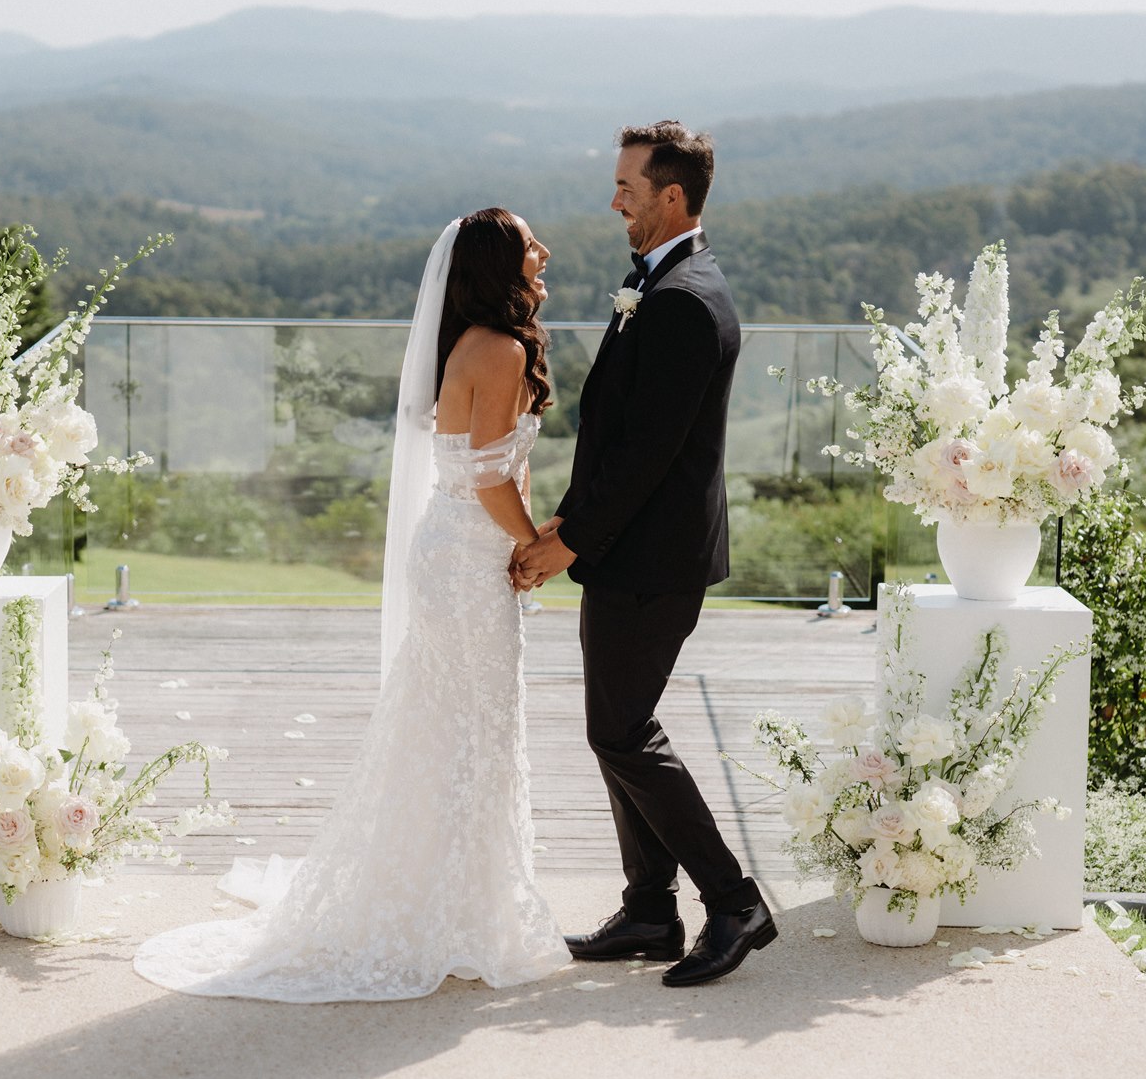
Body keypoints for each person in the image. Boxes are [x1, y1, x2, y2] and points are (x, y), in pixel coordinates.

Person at [134, 207, 571, 1002]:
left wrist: (519, 537)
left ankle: (443, 897)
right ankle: (461, 912)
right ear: (497, 267)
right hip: (472, 560)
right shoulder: (502, 348)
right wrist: (531, 545)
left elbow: (484, 463)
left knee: (442, 727)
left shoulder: (472, 341)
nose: (545, 251)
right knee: (478, 732)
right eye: (529, 244)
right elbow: (488, 474)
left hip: (448, 552)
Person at [513, 120, 776, 988]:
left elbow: (647, 458)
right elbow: (616, 439)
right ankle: (651, 909)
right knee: (613, 730)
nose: (614, 198)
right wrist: (564, 521)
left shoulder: (683, 302)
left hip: (652, 560)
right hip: (630, 550)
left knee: (624, 731)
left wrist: (570, 542)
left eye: (627, 184)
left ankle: (733, 900)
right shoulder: (663, 284)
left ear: (672, 196)